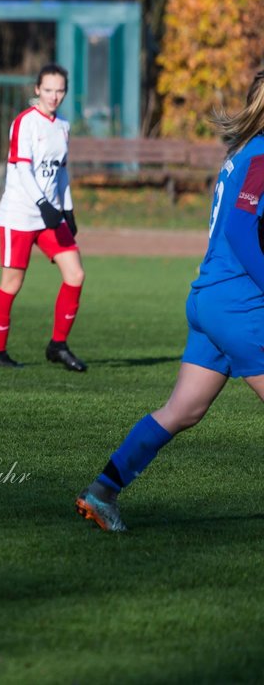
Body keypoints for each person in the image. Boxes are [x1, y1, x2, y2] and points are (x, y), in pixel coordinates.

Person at [75, 71, 263, 532]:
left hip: (209, 300)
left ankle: (102, 492)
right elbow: (241, 229)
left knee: (182, 411)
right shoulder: (261, 155)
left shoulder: (243, 153)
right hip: (237, 304)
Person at [0, 63, 87, 371]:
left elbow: (61, 171)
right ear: (36, 90)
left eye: (60, 90)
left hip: (50, 216)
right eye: (48, 90)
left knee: (76, 274)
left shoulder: (63, 126)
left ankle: (58, 345)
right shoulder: (25, 123)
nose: (54, 96)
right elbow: (22, 169)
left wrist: (67, 208)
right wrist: (44, 203)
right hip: (20, 215)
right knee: (12, 283)